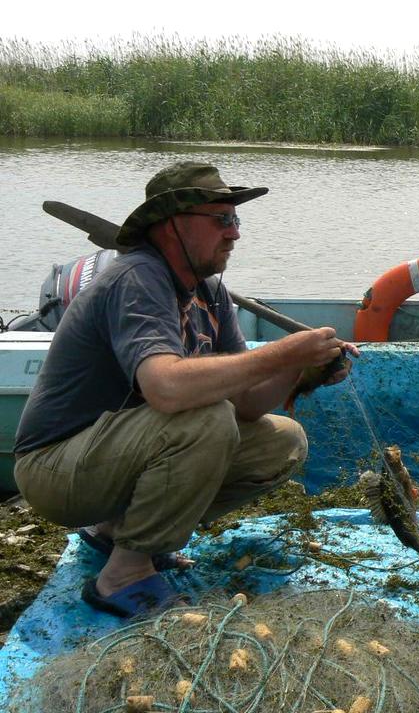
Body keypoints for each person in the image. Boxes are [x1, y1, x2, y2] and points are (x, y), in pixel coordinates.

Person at [13, 161, 358, 618]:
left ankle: (118, 532)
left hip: (113, 459)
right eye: (222, 219)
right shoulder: (137, 278)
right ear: (172, 225)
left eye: (235, 220)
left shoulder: (208, 292)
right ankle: (124, 574)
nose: (234, 233)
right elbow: (167, 389)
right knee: (205, 417)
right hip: (56, 469)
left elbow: (249, 406)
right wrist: (283, 352)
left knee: (282, 441)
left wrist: (299, 368)